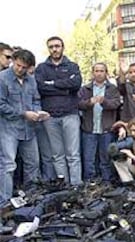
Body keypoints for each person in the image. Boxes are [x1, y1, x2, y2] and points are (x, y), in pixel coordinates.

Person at [0, 49, 47, 205]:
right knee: (8, 165)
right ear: (13, 61)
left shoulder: (31, 80)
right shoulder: (2, 78)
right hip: (9, 129)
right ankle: (5, 203)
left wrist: (37, 112)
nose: (20, 69)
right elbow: (1, 105)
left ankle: (30, 199)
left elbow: (36, 99)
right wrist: (23, 113)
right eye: (18, 65)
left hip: (29, 129)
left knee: (33, 163)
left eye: (24, 67)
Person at [35, 36, 83, 186]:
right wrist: (64, 88)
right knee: (57, 154)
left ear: (63, 47)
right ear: (48, 49)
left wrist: (53, 84)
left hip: (70, 114)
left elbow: (76, 84)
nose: (55, 49)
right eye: (51, 47)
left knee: (73, 154)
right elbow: (41, 87)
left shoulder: (72, 66)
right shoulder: (41, 68)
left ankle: (76, 185)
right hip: (50, 116)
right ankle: (65, 186)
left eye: (57, 46)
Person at [78, 62, 121, 183]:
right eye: (96, 71)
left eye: (102, 71)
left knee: (105, 159)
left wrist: (104, 102)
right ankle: (89, 183)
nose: (99, 73)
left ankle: (107, 182)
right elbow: (78, 104)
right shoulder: (85, 89)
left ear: (106, 73)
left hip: (106, 129)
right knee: (89, 159)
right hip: (89, 129)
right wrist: (89, 103)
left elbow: (116, 104)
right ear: (93, 73)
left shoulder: (112, 89)